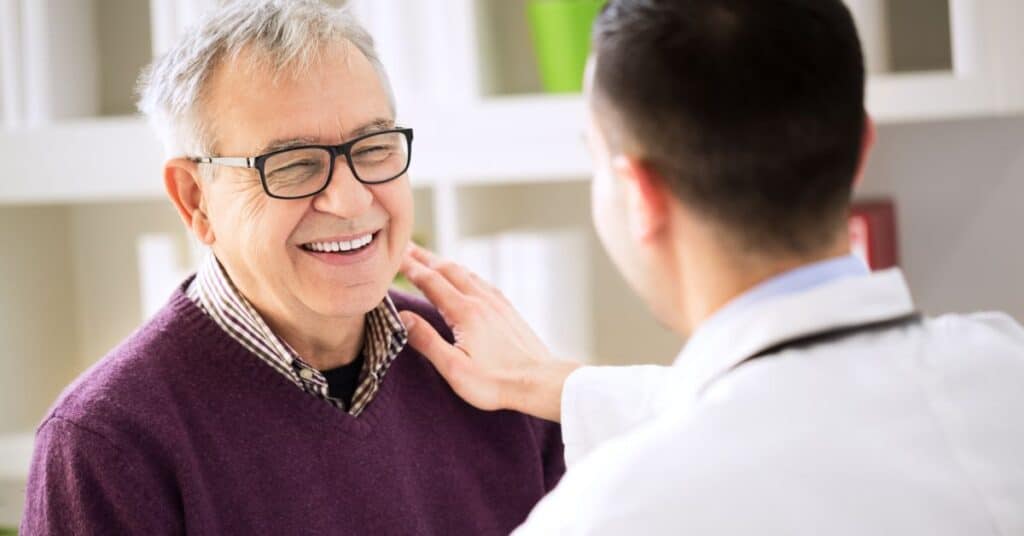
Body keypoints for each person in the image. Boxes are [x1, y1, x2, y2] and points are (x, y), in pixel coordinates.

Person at [398, 0, 1024, 534]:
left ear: (639, 195)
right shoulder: (1002, 367)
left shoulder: (605, 519)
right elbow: (801, 410)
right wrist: (562, 385)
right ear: (862, 149)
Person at [20, 1, 563, 533]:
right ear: (195, 200)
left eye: (373, 148)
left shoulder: (491, 369)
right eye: (295, 164)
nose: (350, 201)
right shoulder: (106, 442)